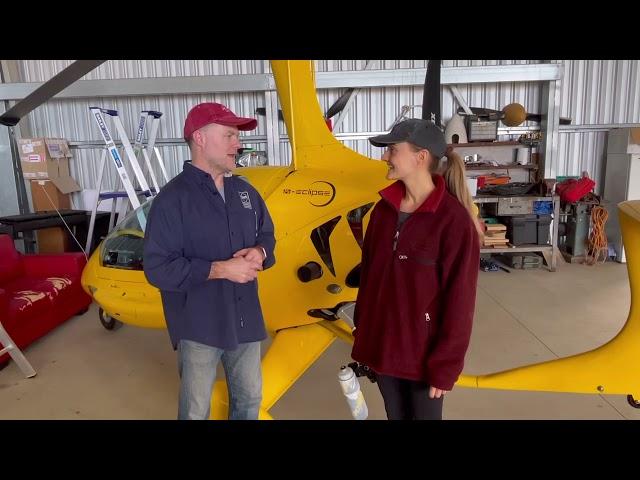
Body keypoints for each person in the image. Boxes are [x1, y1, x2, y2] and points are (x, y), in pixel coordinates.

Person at [143, 102, 276, 420]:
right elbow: (157, 268)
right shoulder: (171, 201)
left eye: (237, 136)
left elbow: (267, 236)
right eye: (230, 135)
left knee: (248, 401)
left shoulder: (245, 192)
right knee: (195, 411)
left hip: (245, 319)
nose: (238, 144)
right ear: (200, 138)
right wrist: (220, 269)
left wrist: (260, 252)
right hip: (198, 326)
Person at [351, 118, 480, 420]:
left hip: (423, 358)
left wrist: (445, 366)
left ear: (420, 157)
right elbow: (370, 278)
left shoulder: (454, 221)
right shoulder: (382, 212)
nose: (384, 157)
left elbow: (460, 302)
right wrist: (364, 333)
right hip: (383, 349)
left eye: (392, 150)